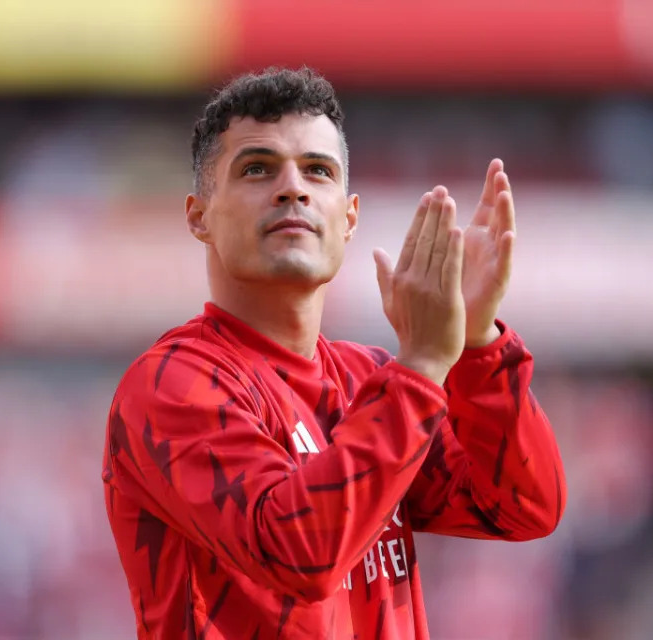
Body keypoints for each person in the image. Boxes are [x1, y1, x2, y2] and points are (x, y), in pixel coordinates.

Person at [102, 67, 566, 639]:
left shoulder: (368, 379)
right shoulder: (170, 385)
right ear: (199, 215)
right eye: (257, 169)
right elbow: (299, 553)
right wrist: (422, 366)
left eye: (317, 171)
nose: (292, 188)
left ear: (348, 219)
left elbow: (522, 506)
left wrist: (476, 345)